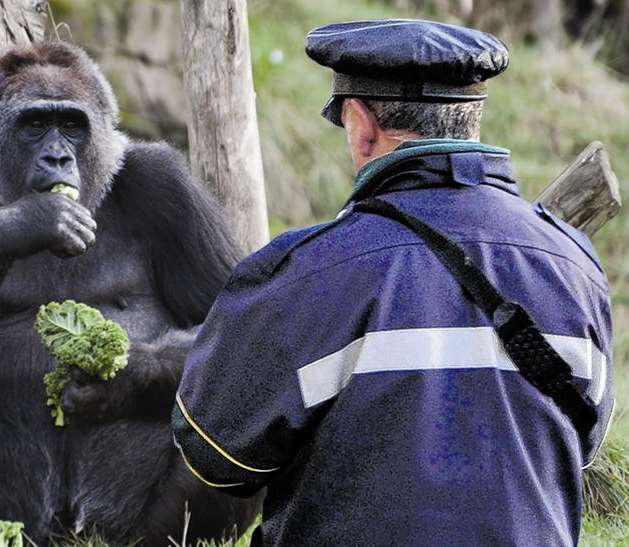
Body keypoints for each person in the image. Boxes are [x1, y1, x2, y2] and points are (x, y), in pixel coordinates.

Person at [171, 19, 614, 547]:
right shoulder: (575, 262)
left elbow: (215, 457)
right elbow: (581, 444)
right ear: (471, 120)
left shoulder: (309, 273)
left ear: (360, 125)